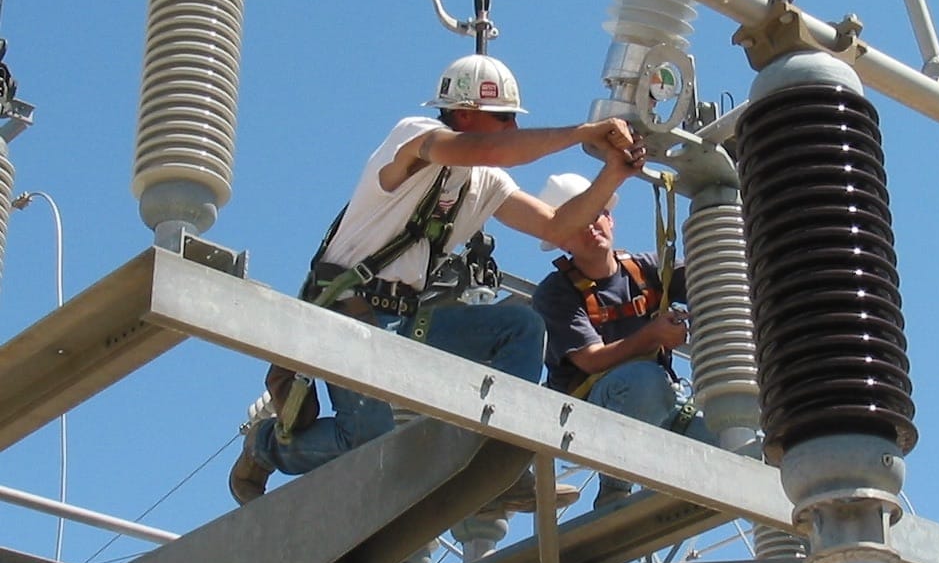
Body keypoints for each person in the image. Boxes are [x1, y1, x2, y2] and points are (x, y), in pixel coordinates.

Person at [230, 54, 645, 520]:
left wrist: (614, 172)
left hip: (405, 321)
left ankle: (497, 465)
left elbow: (556, 226)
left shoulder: (486, 182)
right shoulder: (413, 139)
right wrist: (580, 134)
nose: (511, 129)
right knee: (366, 443)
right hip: (348, 314)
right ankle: (265, 447)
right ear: (464, 114)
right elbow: (485, 151)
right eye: (503, 118)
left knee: (520, 326)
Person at [530, 172, 714, 509]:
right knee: (645, 381)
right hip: (593, 412)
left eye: (596, 214)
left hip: (660, 403)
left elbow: (712, 278)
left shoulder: (647, 269)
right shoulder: (555, 293)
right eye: (577, 221)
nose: (591, 227)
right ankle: (616, 483)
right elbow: (590, 360)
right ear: (561, 240)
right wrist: (654, 334)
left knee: (733, 446)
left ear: (610, 218)